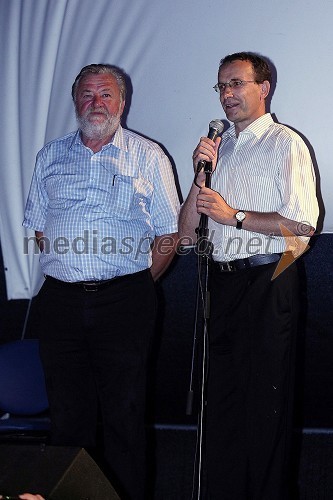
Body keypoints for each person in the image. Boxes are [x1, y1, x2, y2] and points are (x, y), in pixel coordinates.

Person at [23, 63, 179, 500]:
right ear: (75, 102)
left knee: (124, 419)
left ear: (122, 102)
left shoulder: (148, 155)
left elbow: (169, 234)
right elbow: (38, 225)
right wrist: (70, 263)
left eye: (106, 94)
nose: (97, 103)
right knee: (67, 419)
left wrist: (134, 282)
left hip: (124, 302)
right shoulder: (49, 156)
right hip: (60, 303)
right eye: (88, 94)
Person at [178, 52, 319, 499]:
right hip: (220, 284)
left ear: (265, 88)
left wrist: (234, 215)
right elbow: (184, 234)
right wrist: (199, 173)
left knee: (264, 410)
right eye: (221, 86)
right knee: (220, 407)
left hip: (268, 282)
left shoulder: (285, 144)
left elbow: (303, 228)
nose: (227, 95)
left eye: (237, 84)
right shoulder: (219, 150)